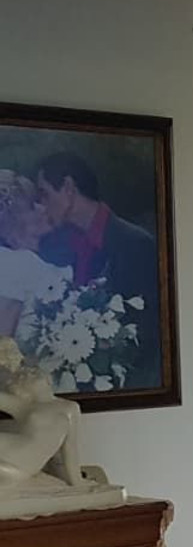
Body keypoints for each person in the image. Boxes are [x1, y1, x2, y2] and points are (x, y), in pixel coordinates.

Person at [34, 151, 160, 384]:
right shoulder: (63, 244)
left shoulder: (135, 244)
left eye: (45, 194)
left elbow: (146, 334)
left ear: (68, 188)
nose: (41, 205)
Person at [0, 170, 71, 339]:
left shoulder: (25, 261)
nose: (42, 208)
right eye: (33, 205)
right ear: (14, 217)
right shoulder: (16, 263)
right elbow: (3, 340)